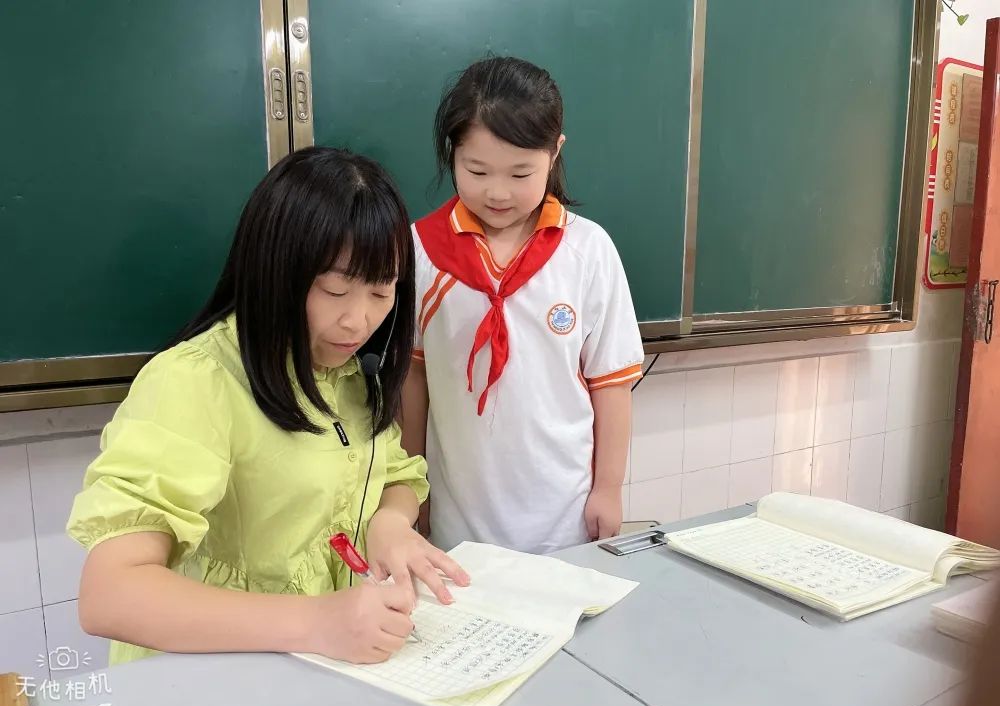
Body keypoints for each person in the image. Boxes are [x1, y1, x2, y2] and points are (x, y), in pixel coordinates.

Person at [67, 146, 469, 666]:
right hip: (217, 669)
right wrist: (318, 621)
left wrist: (388, 523)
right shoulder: (195, 382)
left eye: (381, 291)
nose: (359, 320)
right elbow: (110, 596)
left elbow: (396, 473)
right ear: (274, 271)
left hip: (319, 664)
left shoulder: (346, 371)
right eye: (335, 289)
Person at [402, 56, 644, 555]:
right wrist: (413, 489)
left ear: (554, 152)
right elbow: (413, 378)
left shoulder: (588, 250)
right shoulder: (421, 251)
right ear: (452, 154)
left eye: (520, 173)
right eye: (476, 169)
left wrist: (609, 489)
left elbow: (611, 384)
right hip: (458, 521)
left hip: (564, 518)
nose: (497, 191)